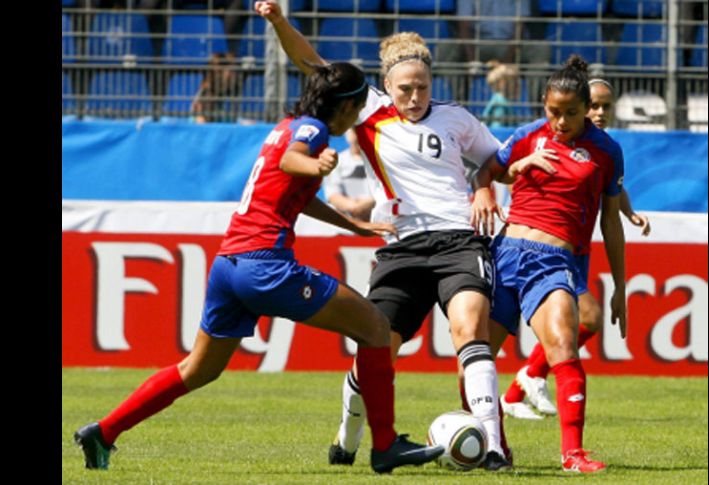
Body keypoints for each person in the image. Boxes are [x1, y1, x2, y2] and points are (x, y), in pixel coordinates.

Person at [73, 61, 444, 475]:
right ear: (346, 106)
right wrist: (316, 165)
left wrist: (351, 224)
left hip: (228, 265)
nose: (356, 118)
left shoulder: (286, 124)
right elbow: (292, 162)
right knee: (376, 327)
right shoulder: (313, 131)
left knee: (198, 369)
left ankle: (103, 431)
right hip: (265, 266)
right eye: (357, 109)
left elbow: (293, 189)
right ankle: (385, 445)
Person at [254, 0, 513, 471]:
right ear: (386, 87)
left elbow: (497, 162)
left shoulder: (457, 118)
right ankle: (348, 434)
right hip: (401, 247)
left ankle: (492, 447)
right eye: (405, 89)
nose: (414, 97)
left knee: (469, 329)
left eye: (422, 87)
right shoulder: (368, 110)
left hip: (460, 239)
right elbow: (312, 64)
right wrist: (278, 21)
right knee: (377, 348)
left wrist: (484, 188)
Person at [471, 55, 627, 473]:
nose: (561, 122)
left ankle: (572, 454)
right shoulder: (526, 136)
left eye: (571, 114)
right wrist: (484, 191)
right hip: (504, 254)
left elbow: (610, 221)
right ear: (544, 103)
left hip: (552, 261)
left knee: (563, 344)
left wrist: (621, 289)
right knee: (477, 356)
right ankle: (494, 447)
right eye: (554, 112)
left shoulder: (606, 151)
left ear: (586, 108)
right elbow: (488, 171)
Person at [498, 77, 651, 420]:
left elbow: (607, 192)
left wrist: (627, 211)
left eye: (605, 106)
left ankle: (521, 385)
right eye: (594, 106)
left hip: (575, 252)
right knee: (585, 321)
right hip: (540, 251)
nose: (599, 113)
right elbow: (495, 170)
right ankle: (527, 380)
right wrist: (510, 172)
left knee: (587, 322)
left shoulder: (606, 150)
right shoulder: (538, 135)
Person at [323, 129, 375, 221]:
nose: (359, 137)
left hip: (379, 220)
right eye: (355, 132)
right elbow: (333, 195)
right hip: (347, 224)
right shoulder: (336, 162)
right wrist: (354, 207)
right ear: (348, 135)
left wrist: (371, 202)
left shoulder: (379, 162)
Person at [192, 52, 241, 123]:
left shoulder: (226, 88)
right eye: (231, 71)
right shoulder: (208, 92)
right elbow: (200, 117)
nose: (234, 74)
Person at [482, 61, 521, 128]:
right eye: (514, 80)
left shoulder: (500, 100)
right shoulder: (500, 105)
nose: (518, 84)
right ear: (502, 84)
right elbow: (498, 129)